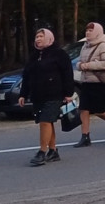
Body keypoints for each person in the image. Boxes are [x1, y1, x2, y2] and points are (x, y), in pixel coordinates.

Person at [19, 28, 73, 166]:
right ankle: (53, 151)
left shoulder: (59, 54)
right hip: (38, 95)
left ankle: (42, 152)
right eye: (36, 37)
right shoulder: (34, 56)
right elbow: (26, 76)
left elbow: (67, 73)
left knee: (45, 121)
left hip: (54, 93)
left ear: (49, 38)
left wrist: (68, 93)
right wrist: (23, 94)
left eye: (41, 36)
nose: (38, 39)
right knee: (48, 122)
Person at [74, 22, 105, 147]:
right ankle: (85, 136)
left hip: (99, 82)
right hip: (86, 81)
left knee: (98, 110)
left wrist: (88, 65)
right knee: (84, 109)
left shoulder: (103, 45)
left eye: (91, 30)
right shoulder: (85, 45)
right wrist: (79, 66)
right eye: (87, 30)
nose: (88, 33)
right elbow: (79, 61)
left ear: (97, 31)